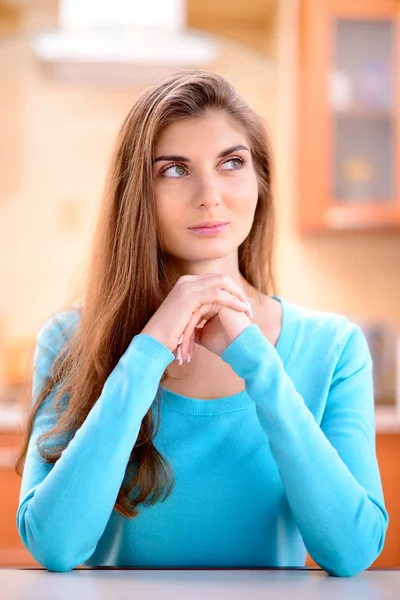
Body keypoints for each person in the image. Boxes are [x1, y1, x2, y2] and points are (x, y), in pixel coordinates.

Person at [15, 69, 388, 576]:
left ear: (260, 180)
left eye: (231, 163)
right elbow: (55, 546)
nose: (210, 195)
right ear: (137, 195)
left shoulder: (334, 348)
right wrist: (145, 353)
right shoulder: (68, 342)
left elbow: (352, 552)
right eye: (173, 170)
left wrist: (257, 361)